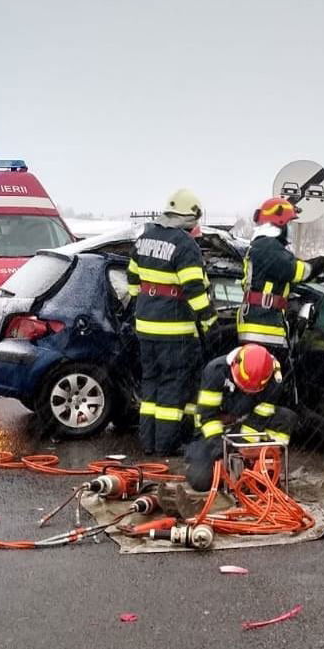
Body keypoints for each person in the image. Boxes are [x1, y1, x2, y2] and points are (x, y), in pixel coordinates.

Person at [126, 189, 217, 457]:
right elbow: (194, 291)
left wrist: (142, 306)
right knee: (172, 389)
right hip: (175, 331)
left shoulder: (144, 238)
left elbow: (132, 280)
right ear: (192, 217)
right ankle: (166, 446)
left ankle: (148, 444)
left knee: (150, 385)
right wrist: (210, 320)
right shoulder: (185, 245)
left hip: (145, 328)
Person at [237, 196, 324, 368]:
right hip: (263, 328)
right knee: (269, 383)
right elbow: (299, 271)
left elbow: (299, 275)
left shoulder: (261, 247)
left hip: (259, 325)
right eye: (289, 224)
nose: (290, 229)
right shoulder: (268, 247)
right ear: (280, 223)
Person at [184, 343, 296, 491]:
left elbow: (258, 420)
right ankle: (228, 472)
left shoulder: (274, 379)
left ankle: (266, 468)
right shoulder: (215, 371)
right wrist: (222, 449)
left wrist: (245, 450)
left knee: (286, 417)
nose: (248, 393)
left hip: (245, 423)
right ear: (234, 366)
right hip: (213, 431)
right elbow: (207, 416)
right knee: (201, 480)